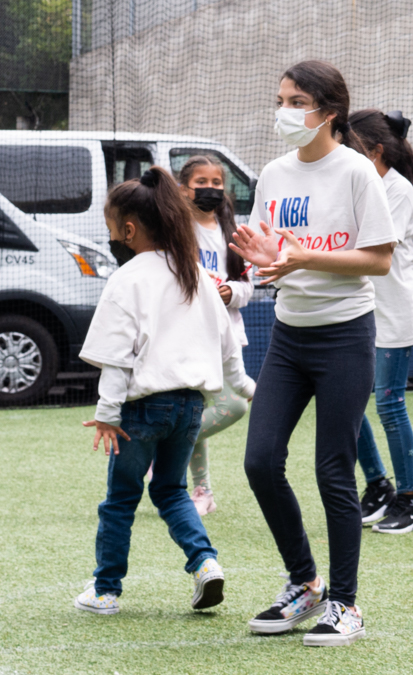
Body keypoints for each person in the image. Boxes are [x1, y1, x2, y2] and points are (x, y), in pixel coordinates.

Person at [230, 60, 396, 647]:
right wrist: (261, 256)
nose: (285, 111)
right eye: (281, 98)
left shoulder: (355, 171)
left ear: (329, 112)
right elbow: (271, 252)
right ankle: (304, 584)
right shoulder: (274, 175)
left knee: (333, 469)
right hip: (287, 335)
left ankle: (346, 605)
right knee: (259, 460)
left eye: (296, 100)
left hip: (346, 336)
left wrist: (303, 258)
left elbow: (379, 259)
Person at [73, 167, 254, 615]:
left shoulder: (127, 279)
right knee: (172, 491)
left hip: (141, 411)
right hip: (191, 408)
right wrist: (247, 386)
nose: (112, 236)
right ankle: (205, 562)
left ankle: (105, 591)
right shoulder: (194, 273)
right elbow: (228, 345)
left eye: (112, 228)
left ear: (129, 230)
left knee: (120, 500)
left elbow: (118, 357)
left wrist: (107, 413)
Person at [344, 109, 413, 535]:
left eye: (351, 147)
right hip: (362, 314)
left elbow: (372, 253)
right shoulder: (360, 184)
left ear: (376, 151)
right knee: (347, 403)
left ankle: (410, 500)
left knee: (389, 406)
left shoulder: (396, 189)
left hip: (395, 317)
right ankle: (379, 485)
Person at [176, 154, 253, 516]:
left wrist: (230, 293)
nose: (210, 189)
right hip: (188, 336)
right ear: (183, 189)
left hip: (226, 338)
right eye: (200, 183)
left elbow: (247, 287)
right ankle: (202, 491)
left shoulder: (233, 233)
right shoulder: (176, 230)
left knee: (233, 404)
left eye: (217, 184)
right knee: (197, 411)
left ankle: (165, 453)